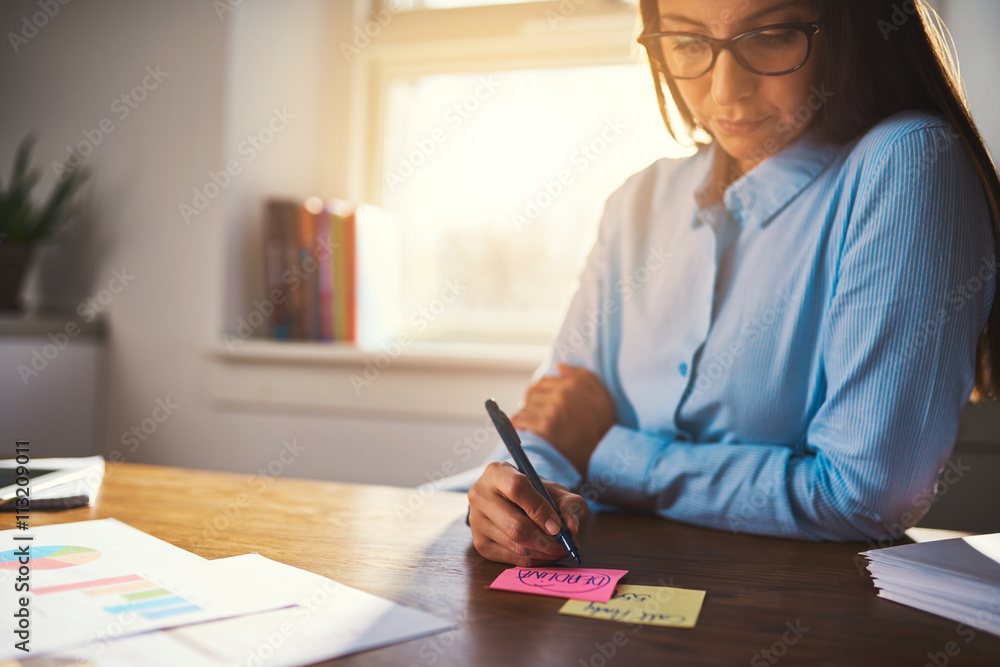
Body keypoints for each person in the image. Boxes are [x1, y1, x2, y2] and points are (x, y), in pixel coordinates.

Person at [467, 0, 1000, 567]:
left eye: (771, 36)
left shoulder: (907, 161)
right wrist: (510, 498)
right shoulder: (638, 200)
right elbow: (553, 424)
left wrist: (607, 451)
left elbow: (865, 497)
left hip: (801, 615)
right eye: (689, 42)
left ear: (850, 30)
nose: (725, 91)